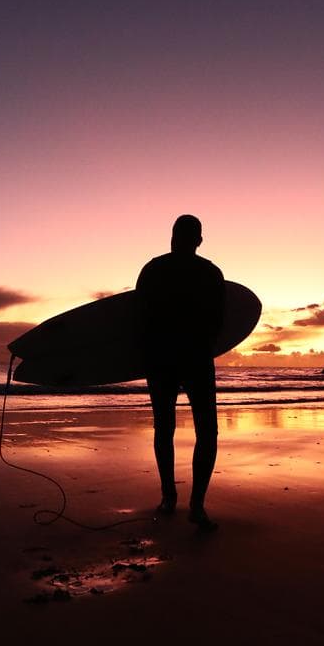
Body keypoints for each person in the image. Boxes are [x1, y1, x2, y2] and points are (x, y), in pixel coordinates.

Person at [136, 215, 225, 530]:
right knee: (207, 432)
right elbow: (220, 323)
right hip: (197, 358)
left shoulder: (152, 269)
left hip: (161, 359)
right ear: (199, 240)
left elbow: (139, 321)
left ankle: (169, 497)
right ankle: (196, 506)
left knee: (165, 428)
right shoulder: (211, 273)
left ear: (172, 236)